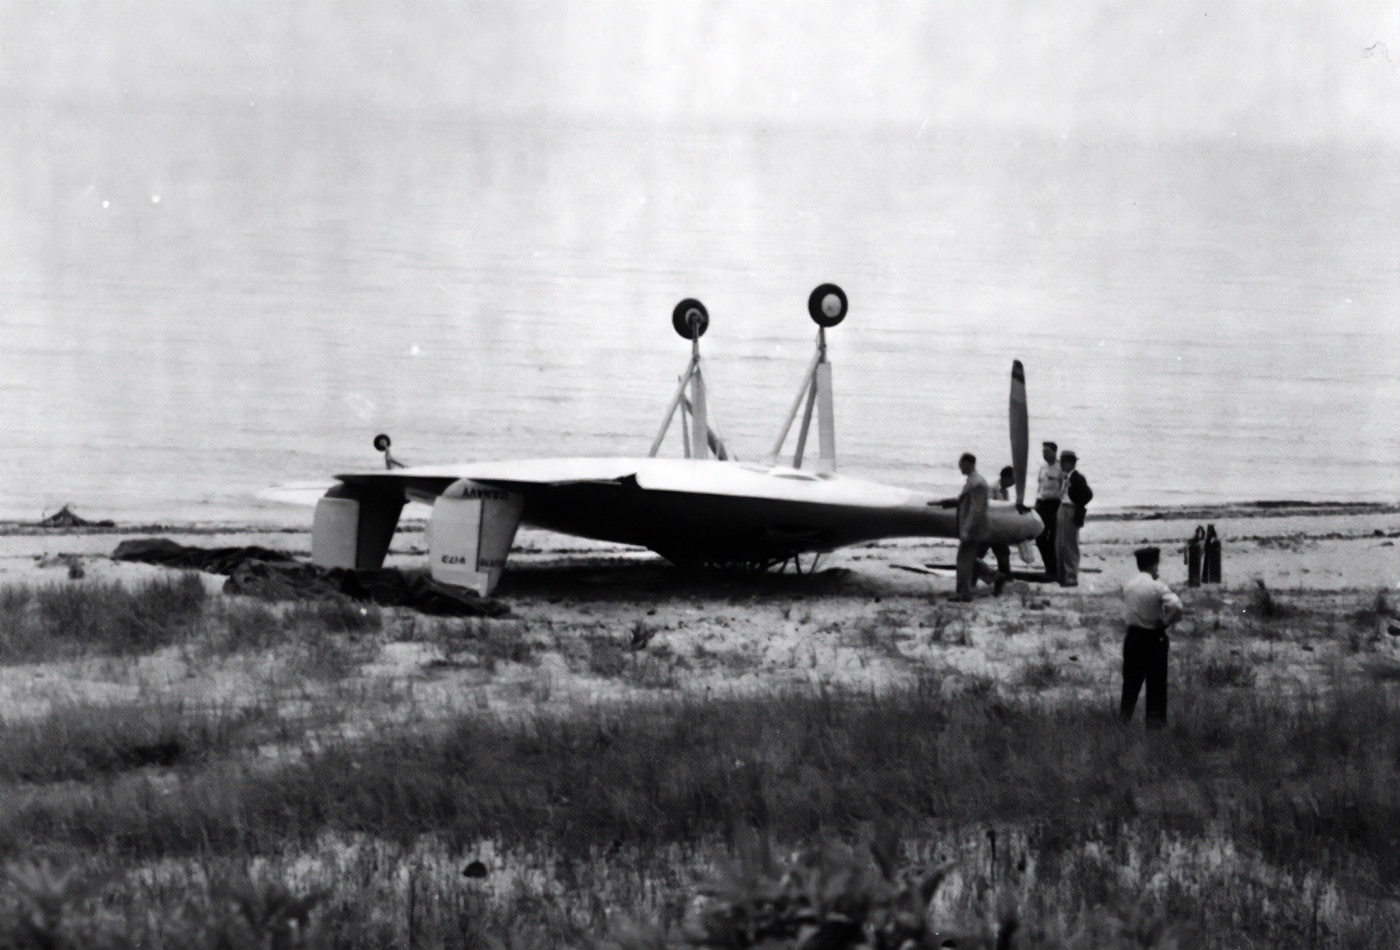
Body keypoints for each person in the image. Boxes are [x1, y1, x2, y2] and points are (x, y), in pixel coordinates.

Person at [1120, 546, 1185, 728]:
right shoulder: (1157, 586)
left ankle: (1123, 721)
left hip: (1133, 637)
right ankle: (1155, 726)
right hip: (1153, 637)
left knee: (1131, 683)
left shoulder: (1128, 585)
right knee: (1156, 684)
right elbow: (1178, 608)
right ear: (1154, 565)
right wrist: (1164, 622)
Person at [947, 453, 1002, 601]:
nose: (959, 466)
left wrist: (967, 529)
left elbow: (977, 510)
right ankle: (992, 575)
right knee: (970, 558)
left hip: (973, 528)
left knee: (963, 560)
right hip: (972, 527)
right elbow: (965, 501)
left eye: (961, 463)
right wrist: (948, 502)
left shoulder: (977, 482)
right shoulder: (973, 481)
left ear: (969, 464)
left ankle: (963, 593)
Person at [1055, 450, 1092, 586]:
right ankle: (1062, 575)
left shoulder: (1077, 478)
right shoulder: (1065, 477)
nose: (1061, 465)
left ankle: (1071, 576)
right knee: (1060, 543)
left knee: (1070, 544)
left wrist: (1078, 504)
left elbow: (1088, 494)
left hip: (1071, 509)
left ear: (1069, 463)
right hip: (1062, 508)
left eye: (1063, 462)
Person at [976, 466, 1015, 577]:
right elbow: (988, 507)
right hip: (988, 528)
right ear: (1006, 478)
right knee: (980, 553)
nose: (1014, 482)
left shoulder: (1005, 491)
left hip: (997, 529)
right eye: (1013, 479)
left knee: (1003, 553)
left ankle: (1004, 577)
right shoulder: (992, 488)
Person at [1034, 442, 1065, 578]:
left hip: (1054, 505)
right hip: (1040, 503)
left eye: (1047, 451)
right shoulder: (1042, 467)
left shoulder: (1060, 468)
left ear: (1054, 452)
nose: (1044, 453)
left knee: (1052, 538)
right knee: (1039, 537)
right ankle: (1050, 567)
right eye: (1043, 451)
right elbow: (1040, 486)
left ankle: (1054, 570)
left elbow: (1064, 489)